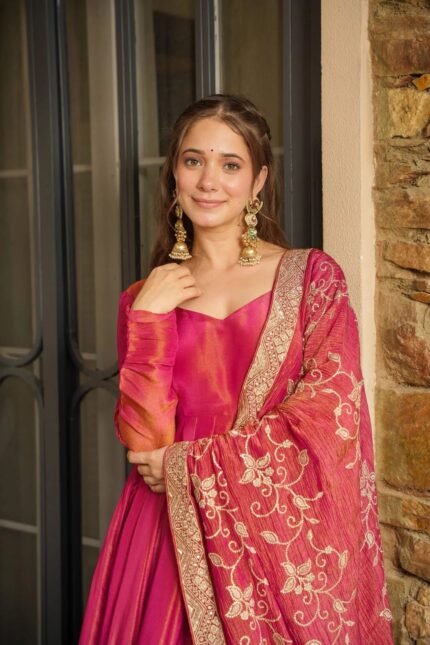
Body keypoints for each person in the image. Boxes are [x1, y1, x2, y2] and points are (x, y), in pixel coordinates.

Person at [80, 94, 393, 644]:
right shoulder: (144, 296)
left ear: (258, 180)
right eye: (193, 161)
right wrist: (149, 320)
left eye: (230, 164)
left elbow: (332, 415)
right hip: (161, 537)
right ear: (174, 173)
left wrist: (187, 464)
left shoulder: (311, 279)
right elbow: (144, 444)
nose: (209, 181)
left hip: (268, 541)